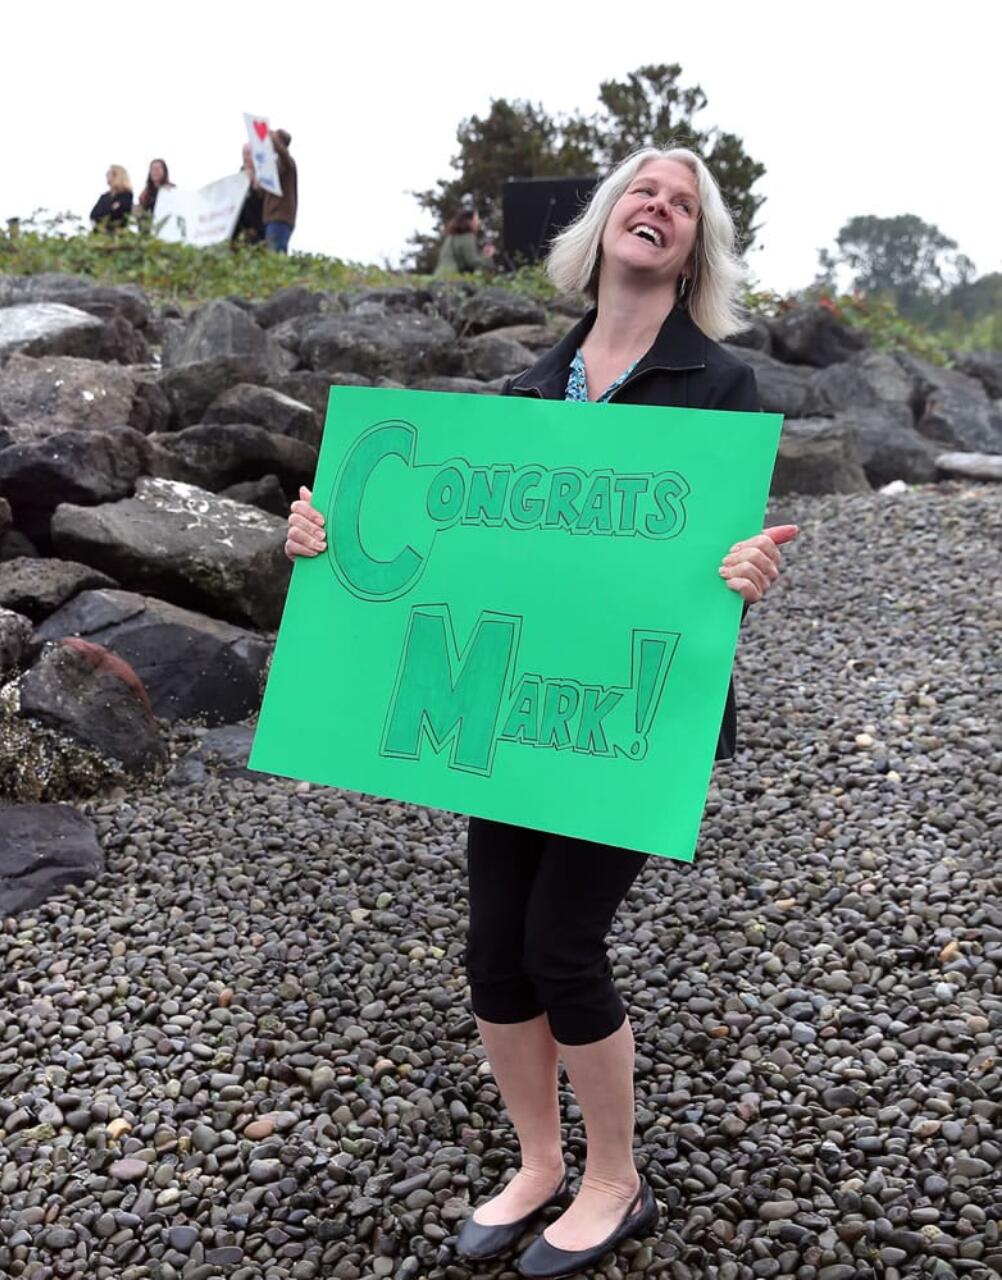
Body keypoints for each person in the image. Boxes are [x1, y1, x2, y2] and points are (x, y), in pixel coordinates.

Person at [284, 144, 799, 1279]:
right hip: (508, 706)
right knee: (491, 945)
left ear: (693, 246)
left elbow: (712, 572)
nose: (655, 205)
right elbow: (447, 558)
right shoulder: (525, 390)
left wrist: (745, 575)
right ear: (606, 222)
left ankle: (613, 1179)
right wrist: (324, 544)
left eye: (679, 201)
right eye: (640, 190)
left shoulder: (719, 389)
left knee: (562, 942)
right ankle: (533, 1160)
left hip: (630, 715)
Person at [261, 129, 297, 253]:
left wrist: (272, 137)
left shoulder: (288, 164)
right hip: (272, 218)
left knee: (275, 254)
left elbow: (283, 154)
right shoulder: (273, 167)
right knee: (272, 253)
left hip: (280, 217)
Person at [435, 204, 496, 276]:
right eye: (477, 219)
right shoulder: (468, 237)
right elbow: (472, 262)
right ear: (469, 221)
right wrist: (487, 256)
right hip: (453, 279)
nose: (479, 222)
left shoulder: (450, 237)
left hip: (439, 277)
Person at [232, 144, 266, 246]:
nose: (245, 157)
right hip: (239, 227)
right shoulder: (239, 177)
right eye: (244, 154)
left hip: (257, 227)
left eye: (248, 154)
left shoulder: (263, 176)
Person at [89, 165, 134, 231]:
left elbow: (118, 215)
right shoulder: (104, 196)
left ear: (117, 176)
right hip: (99, 234)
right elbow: (93, 215)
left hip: (116, 235)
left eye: (109, 173)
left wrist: (106, 212)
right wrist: (111, 208)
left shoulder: (126, 195)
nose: (106, 175)